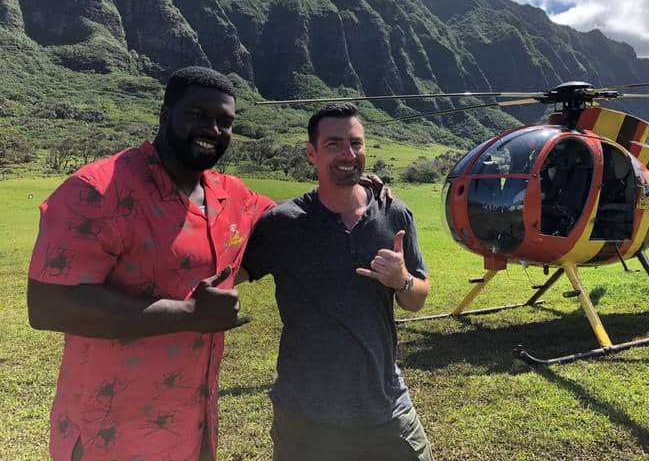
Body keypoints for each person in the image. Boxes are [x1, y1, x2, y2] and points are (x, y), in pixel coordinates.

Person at [27, 66, 275, 461]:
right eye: (197, 114)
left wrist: (357, 191)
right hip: (110, 433)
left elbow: (290, 223)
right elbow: (48, 305)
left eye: (224, 121)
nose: (212, 129)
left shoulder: (230, 195)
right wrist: (190, 314)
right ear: (164, 114)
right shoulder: (98, 190)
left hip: (195, 428)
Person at [242, 102, 433, 461]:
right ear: (311, 153)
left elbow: (418, 297)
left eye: (356, 143)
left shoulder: (393, 213)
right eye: (334, 144)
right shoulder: (283, 223)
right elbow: (229, 272)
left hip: (386, 408)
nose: (348, 153)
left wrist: (402, 279)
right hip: (306, 417)